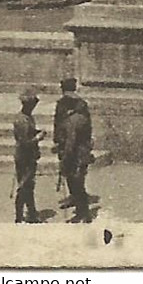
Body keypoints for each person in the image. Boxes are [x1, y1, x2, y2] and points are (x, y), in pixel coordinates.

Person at [56, 94, 93, 223]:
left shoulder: (72, 121)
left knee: (76, 185)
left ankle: (82, 213)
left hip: (75, 157)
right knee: (80, 184)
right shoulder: (83, 119)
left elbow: (70, 143)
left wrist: (65, 159)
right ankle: (85, 213)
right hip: (83, 155)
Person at [12, 89, 44, 223]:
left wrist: (36, 132)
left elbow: (28, 133)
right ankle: (19, 217)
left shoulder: (27, 117)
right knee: (24, 186)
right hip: (25, 157)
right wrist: (38, 138)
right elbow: (24, 142)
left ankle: (32, 213)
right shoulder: (22, 120)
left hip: (29, 156)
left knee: (29, 186)